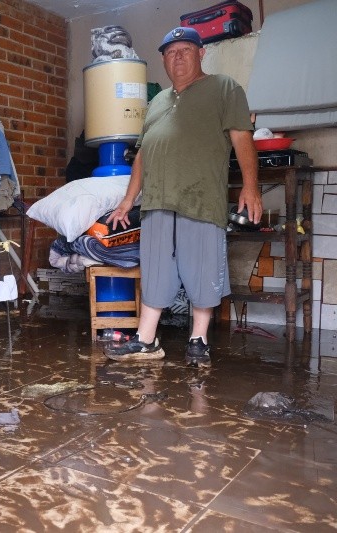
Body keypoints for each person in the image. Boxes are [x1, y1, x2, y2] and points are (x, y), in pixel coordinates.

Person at [103, 26, 262, 367]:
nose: (177, 57)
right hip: (158, 200)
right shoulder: (158, 100)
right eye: (170, 52)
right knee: (156, 270)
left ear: (201, 52)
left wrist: (251, 187)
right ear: (163, 59)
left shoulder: (224, 88)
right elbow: (144, 153)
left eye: (185, 50)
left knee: (202, 266)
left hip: (201, 198)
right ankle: (146, 340)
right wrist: (128, 200)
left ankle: (198, 338)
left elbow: (242, 138)